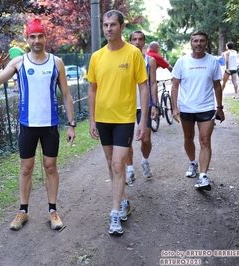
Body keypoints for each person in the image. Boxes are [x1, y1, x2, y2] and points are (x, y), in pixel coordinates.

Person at [0, 18, 76, 231]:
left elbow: (65, 94)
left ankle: (53, 211)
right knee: (26, 168)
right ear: (27, 39)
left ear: (45, 37)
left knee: (50, 166)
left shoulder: (56, 62)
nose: (37, 40)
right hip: (27, 125)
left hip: (50, 125)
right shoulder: (18, 63)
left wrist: (71, 124)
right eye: (32, 36)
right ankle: (23, 211)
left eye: (40, 36)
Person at [87, 10, 149, 235]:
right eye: (105, 25)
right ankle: (122, 199)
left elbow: (143, 86)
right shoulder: (97, 56)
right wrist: (92, 120)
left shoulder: (133, 54)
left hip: (124, 119)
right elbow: (92, 89)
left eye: (113, 25)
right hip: (103, 119)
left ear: (122, 27)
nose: (108, 29)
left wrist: (142, 119)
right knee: (110, 162)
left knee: (117, 164)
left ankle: (115, 214)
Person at [171, 30, 225, 191]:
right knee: (188, 137)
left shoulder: (212, 62)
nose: (198, 44)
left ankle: (203, 176)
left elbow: (217, 86)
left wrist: (220, 107)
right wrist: (175, 108)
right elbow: (175, 86)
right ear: (191, 42)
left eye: (202, 41)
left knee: (205, 140)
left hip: (206, 107)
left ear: (206, 43)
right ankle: (192, 162)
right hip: (187, 107)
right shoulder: (182, 62)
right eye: (195, 41)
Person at [126, 31, 159, 185]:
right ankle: (130, 169)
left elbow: (153, 83)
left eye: (140, 40)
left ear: (144, 42)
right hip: (126, 105)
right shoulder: (124, 59)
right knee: (126, 140)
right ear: (130, 41)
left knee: (146, 138)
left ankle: (145, 161)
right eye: (134, 39)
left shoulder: (149, 60)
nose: (137, 42)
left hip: (144, 105)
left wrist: (155, 105)